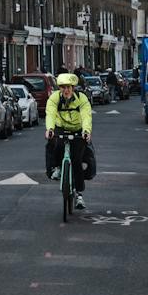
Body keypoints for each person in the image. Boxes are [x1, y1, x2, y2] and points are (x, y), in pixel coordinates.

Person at [44, 72, 93, 210]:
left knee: (77, 160)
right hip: (60, 128)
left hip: (77, 130)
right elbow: (51, 113)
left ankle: (79, 195)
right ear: (59, 88)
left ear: (73, 88)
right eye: (63, 87)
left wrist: (86, 131)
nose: (66, 90)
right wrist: (50, 129)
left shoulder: (81, 98)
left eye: (69, 87)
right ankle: (58, 168)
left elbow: (86, 115)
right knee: (54, 144)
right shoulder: (54, 98)